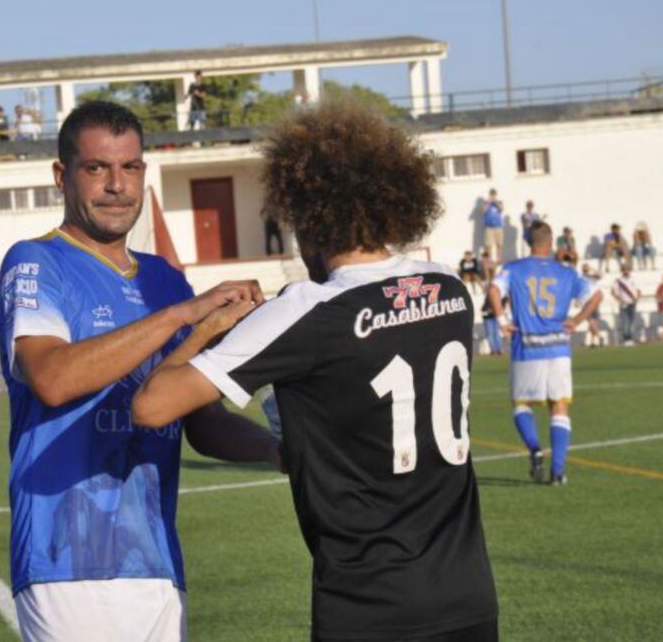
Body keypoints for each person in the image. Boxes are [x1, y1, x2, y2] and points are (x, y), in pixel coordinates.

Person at [134, 100, 499, 641]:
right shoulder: (448, 288)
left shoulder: (305, 311)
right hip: (468, 596)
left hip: (368, 606)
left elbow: (151, 406)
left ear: (308, 215)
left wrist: (206, 329)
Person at [0, 100, 279, 640]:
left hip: (156, 559)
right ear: (61, 175)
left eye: (130, 167)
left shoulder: (165, 279)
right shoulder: (36, 261)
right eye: (96, 168)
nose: (117, 186)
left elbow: (203, 423)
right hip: (66, 558)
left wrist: (276, 449)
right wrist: (183, 316)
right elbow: (51, 378)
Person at [489, 221, 603, 486]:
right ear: (551, 243)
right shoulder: (567, 272)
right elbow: (596, 295)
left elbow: (494, 290)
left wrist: (502, 321)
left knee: (522, 404)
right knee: (559, 406)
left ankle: (535, 449)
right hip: (558, 348)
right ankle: (558, 472)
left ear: (529, 242)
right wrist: (577, 320)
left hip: (527, 347)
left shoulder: (514, 268)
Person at [611, 265, 641, 346]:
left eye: (627, 269)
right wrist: (620, 299)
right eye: (624, 269)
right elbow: (613, 291)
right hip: (624, 304)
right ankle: (626, 339)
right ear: (622, 270)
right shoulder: (618, 281)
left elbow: (638, 290)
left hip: (632, 303)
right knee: (625, 322)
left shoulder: (633, 279)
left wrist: (637, 298)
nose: (626, 271)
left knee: (632, 321)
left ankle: (631, 338)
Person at [580, 263, 605, 347]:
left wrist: (592, 268)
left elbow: (600, 275)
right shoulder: (582, 278)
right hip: (589, 301)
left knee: (592, 321)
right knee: (592, 321)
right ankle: (594, 340)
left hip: (591, 300)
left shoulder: (590, 277)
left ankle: (597, 338)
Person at [482, 189, 504, 262]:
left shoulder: (499, 202)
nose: (492, 196)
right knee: (488, 245)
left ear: (496, 195)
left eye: (494, 194)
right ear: (489, 194)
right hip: (489, 227)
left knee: (499, 244)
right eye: (491, 194)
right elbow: (484, 210)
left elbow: (501, 209)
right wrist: (489, 202)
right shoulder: (486, 202)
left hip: (498, 227)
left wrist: (495, 202)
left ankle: (499, 260)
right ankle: (489, 260)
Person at [482, 292, 504, 356]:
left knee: (495, 334)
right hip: (488, 318)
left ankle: (498, 350)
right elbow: (484, 309)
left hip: (494, 318)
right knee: (491, 334)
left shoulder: (497, 298)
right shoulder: (487, 299)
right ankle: (494, 350)